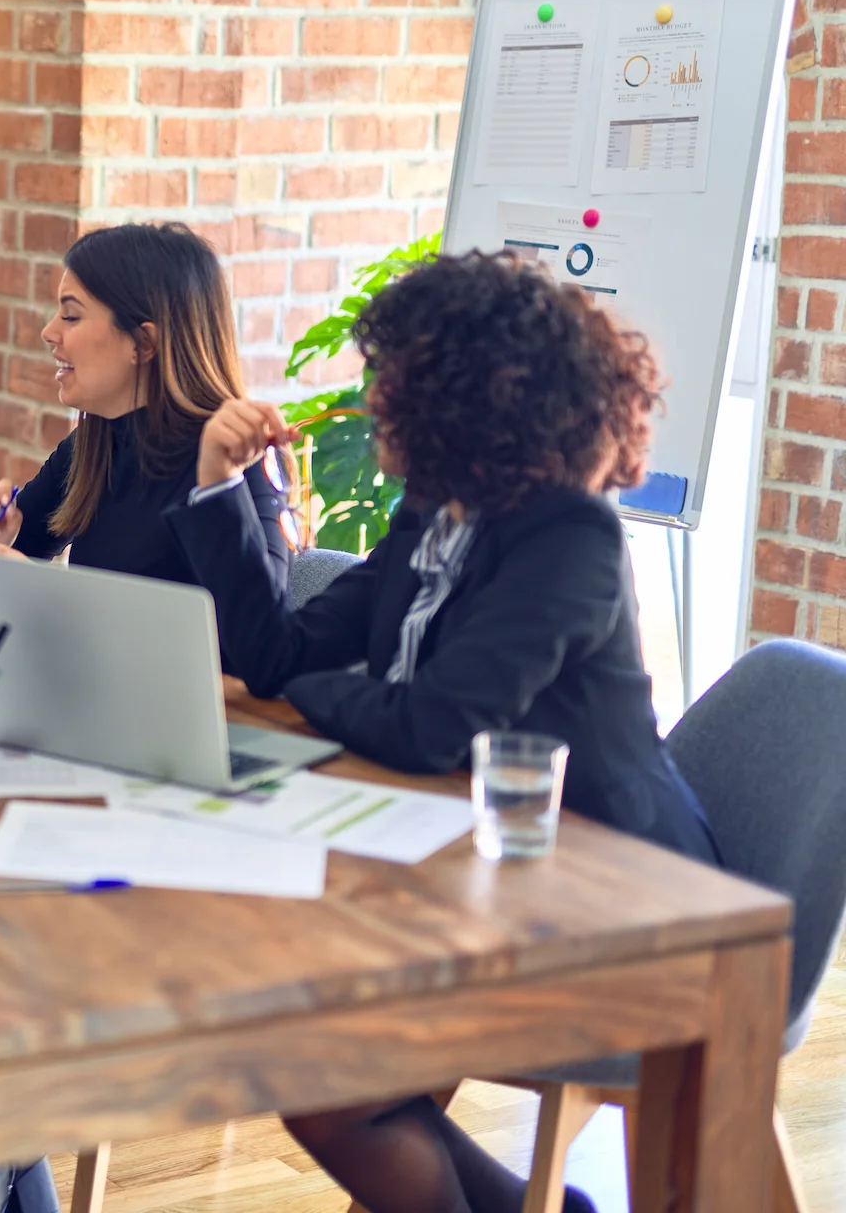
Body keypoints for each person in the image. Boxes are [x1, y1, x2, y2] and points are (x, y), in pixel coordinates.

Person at [169, 251, 719, 1213]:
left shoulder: (570, 539)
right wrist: (223, 485)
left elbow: (431, 728)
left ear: (465, 399)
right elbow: (273, 651)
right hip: (479, 861)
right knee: (322, 1079)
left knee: (330, 1088)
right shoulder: (433, 510)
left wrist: (314, 687)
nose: (373, 396)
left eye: (394, 379)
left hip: (617, 893)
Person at [0, 221, 291, 594]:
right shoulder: (95, 443)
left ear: (144, 342)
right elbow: (9, 560)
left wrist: (45, 595)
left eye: (71, 316)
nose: (49, 332)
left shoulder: (241, 461)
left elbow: (261, 636)